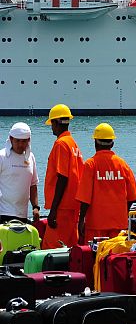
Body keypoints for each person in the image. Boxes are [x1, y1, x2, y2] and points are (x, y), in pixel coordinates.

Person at [76, 123, 136, 244]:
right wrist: (122, 213)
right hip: (119, 227)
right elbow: (133, 198)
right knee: (115, 260)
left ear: (95, 143)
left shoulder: (90, 165)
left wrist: (81, 221)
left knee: (95, 259)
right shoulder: (122, 165)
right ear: (112, 143)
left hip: (95, 226)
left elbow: (85, 199)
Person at [41, 104, 84, 249]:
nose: (51, 128)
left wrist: (53, 210)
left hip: (62, 208)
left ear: (55, 123)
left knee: (50, 249)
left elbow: (62, 177)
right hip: (73, 207)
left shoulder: (61, 144)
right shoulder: (73, 144)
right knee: (69, 249)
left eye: (52, 123)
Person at [0, 122, 39, 223]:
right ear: (11, 139)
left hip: (23, 214)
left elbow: (33, 185)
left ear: (29, 141)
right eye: (17, 141)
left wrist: (35, 207)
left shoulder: (31, 158)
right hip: (3, 213)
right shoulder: (2, 156)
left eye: (24, 141)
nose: (20, 145)